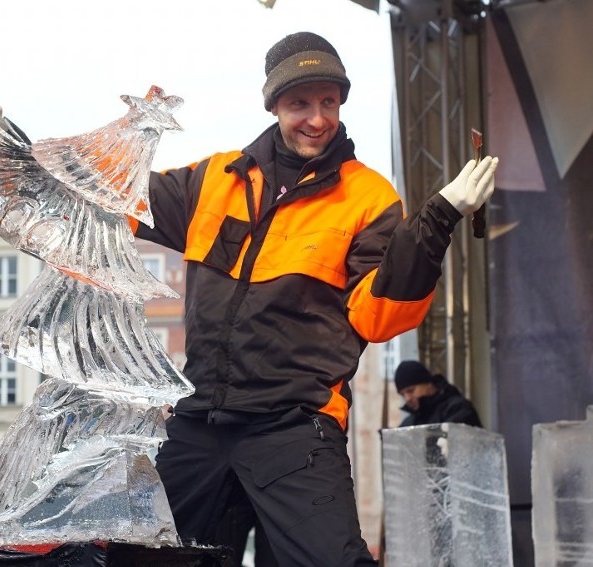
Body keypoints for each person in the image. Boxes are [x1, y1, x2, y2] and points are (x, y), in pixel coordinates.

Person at [132, 31, 499, 566]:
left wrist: (437, 219)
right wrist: (29, 164)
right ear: (275, 105)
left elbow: (379, 317)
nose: (317, 118)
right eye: (300, 102)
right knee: (146, 556)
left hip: (294, 426)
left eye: (328, 101)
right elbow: (113, 196)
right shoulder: (214, 180)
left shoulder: (368, 197)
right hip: (201, 421)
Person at [394, 360, 482, 427]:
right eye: (402, 394)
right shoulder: (410, 422)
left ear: (428, 384)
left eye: (411, 391)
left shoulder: (458, 408)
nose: (407, 398)